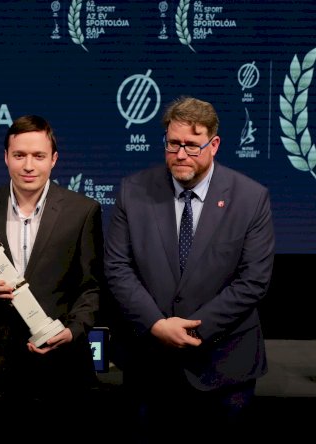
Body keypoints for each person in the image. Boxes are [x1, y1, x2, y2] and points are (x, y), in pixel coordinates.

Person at [104, 96, 275, 441]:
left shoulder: (250, 198)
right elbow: (118, 268)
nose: (181, 154)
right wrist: (157, 325)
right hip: (150, 365)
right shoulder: (133, 191)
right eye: (173, 143)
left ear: (214, 144)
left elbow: (253, 281)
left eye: (192, 145)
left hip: (224, 368)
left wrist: (193, 330)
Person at [0, 114, 105, 402]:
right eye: (19, 155)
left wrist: (72, 331)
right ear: (6, 157)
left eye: (39, 156)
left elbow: (92, 287)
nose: (29, 165)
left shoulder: (83, 211)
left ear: (54, 159)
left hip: (60, 365)